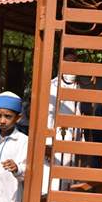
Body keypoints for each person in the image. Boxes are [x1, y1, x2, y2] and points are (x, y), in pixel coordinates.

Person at [43, 49, 81, 194]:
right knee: (53, 177)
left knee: (68, 179)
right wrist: (47, 142)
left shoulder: (79, 86)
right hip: (57, 137)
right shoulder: (53, 86)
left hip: (72, 139)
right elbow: (49, 115)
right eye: (68, 62)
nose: (71, 66)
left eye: (74, 62)